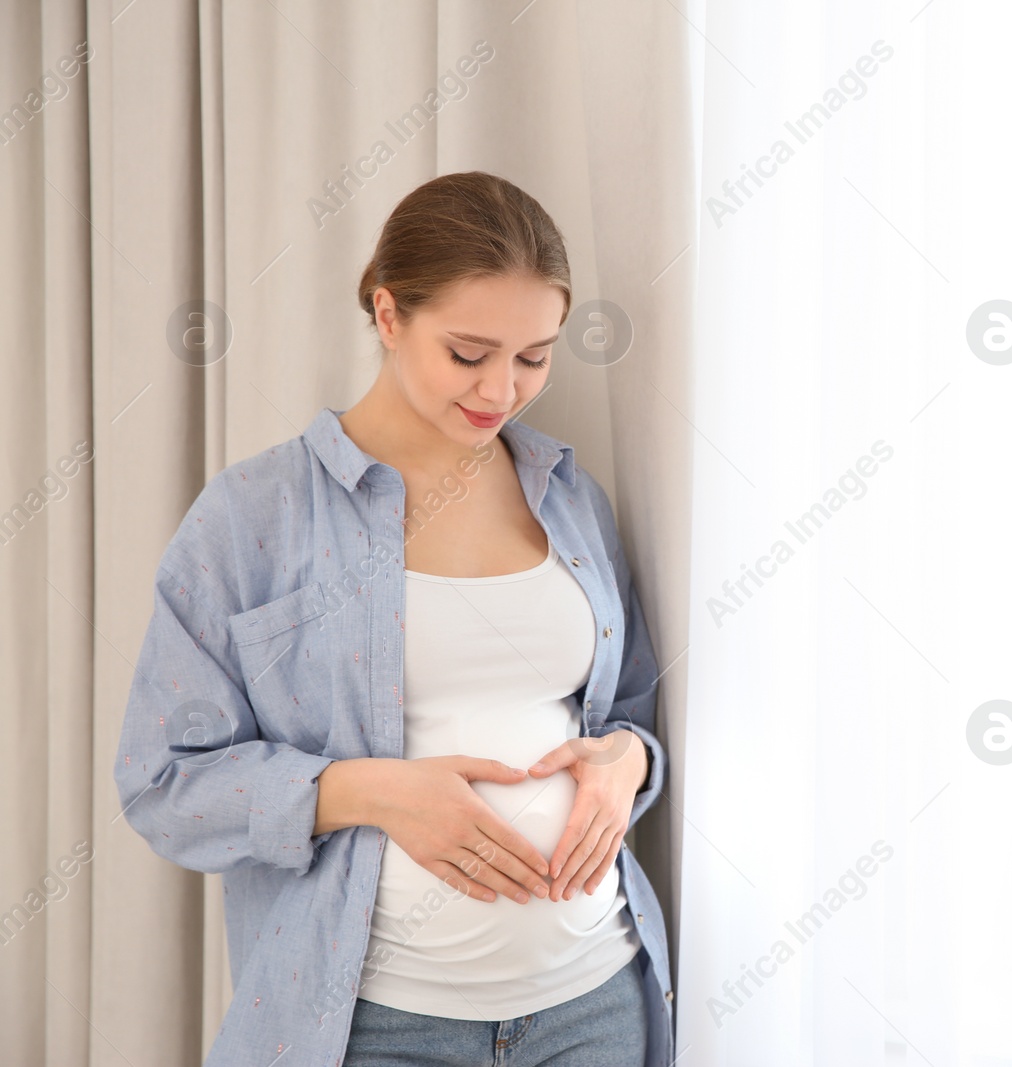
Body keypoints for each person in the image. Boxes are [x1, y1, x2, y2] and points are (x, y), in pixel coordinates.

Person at [112, 171, 673, 1066]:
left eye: (535, 355)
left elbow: (633, 713)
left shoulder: (569, 496)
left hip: (594, 1003)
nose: (504, 388)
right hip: (377, 1028)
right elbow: (163, 784)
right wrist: (371, 790)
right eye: (469, 352)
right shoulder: (255, 516)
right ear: (388, 314)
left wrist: (625, 764)